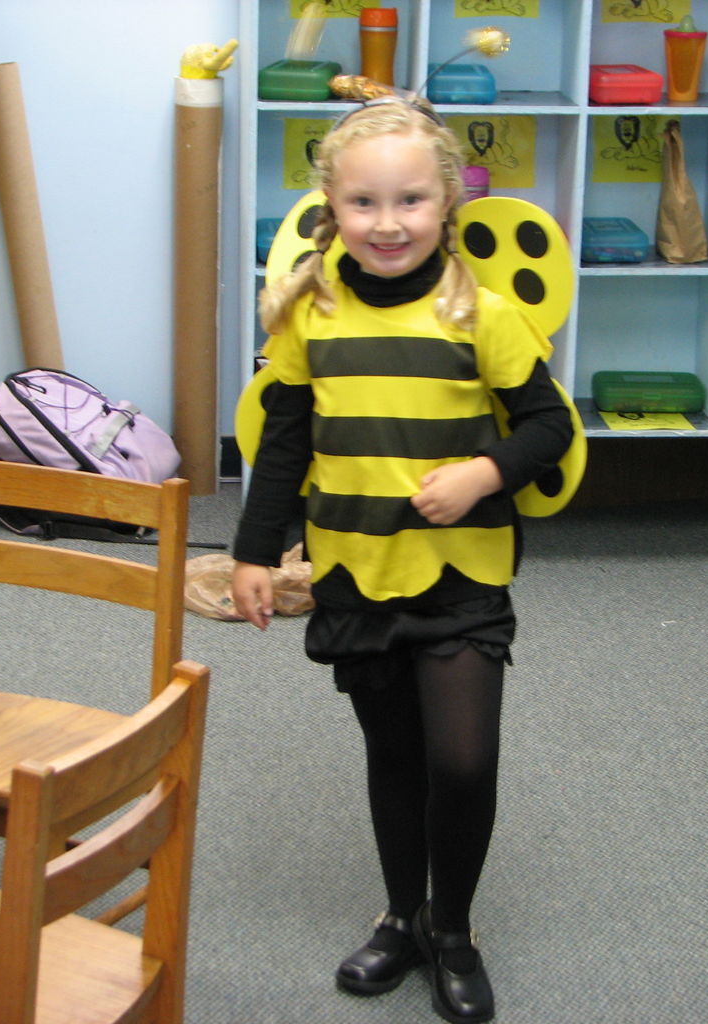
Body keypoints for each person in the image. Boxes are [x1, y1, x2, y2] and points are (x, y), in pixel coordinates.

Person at [231, 96, 573, 1024]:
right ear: (330, 209)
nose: (388, 224)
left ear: (448, 203)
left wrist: (480, 474)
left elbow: (550, 427)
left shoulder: (483, 313)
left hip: (462, 572)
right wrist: (255, 553)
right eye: (365, 204)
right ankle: (401, 916)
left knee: (460, 760)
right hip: (356, 572)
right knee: (393, 757)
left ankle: (453, 930)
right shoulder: (313, 313)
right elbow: (286, 445)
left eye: (411, 201)